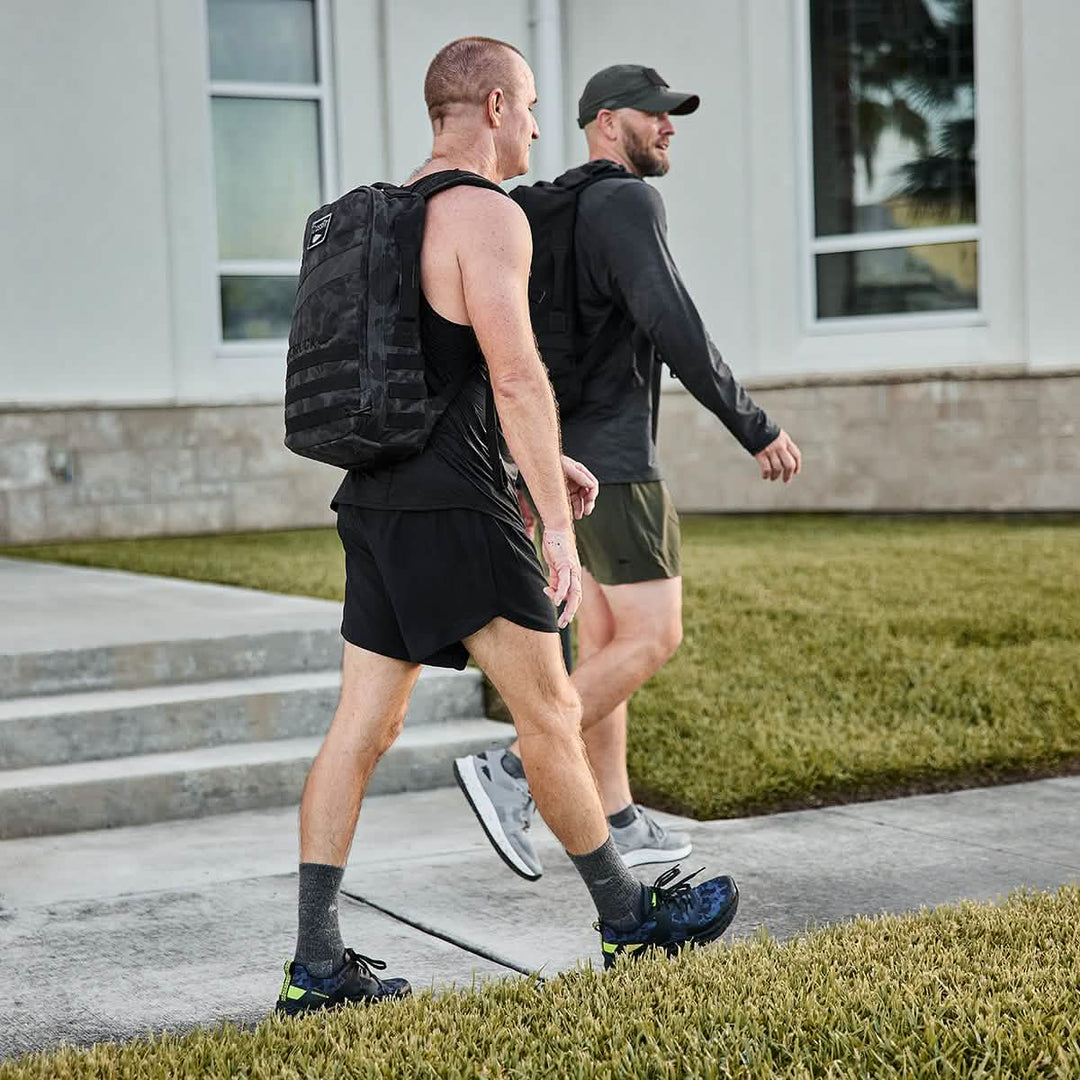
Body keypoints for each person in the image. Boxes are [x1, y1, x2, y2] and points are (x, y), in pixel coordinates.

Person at [276, 40, 740, 1016]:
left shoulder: (392, 213)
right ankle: (627, 920)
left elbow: (446, 370)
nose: (535, 125)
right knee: (548, 716)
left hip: (373, 502)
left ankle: (315, 964)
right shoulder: (484, 213)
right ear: (491, 105)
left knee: (361, 727)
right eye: (528, 106)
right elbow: (518, 370)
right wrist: (560, 535)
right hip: (461, 510)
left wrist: (549, 462)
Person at [455, 64, 802, 880]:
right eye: (658, 115)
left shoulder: (542, 207)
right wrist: (754, 425)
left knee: (605, 643)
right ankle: (509, 772)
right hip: (615, 467)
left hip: (552, 465)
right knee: (654, 634)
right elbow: (671, 317)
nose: (670, 127)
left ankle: (616, 817)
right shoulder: (628, 200)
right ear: (608, 122)